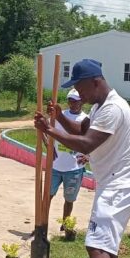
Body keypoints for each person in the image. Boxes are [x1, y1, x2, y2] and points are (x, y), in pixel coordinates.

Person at [35, 59, 130, 258]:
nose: (78, 94)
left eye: (80, 88)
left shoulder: (112, 109)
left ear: (95, 81)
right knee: (108, 242)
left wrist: (49, 131)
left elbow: (86, 144)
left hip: (120, 183)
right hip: (116, 181)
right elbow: (83, 131)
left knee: (97, 244)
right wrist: (59, 118)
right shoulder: (100, 106)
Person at [48, 89, 89, 228]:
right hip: (55, 166)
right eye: (70, 100)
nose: (73, 104)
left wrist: (88, 155)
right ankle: (42, 223)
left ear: (82, 102)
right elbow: (44, 129)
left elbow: (92, 140)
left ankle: (66, 225)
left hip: (74, 168)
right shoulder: (60, 116)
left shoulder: (85, 120)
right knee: (47, 196)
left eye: (76, 101)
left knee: (69, 199)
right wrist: (49, 147)